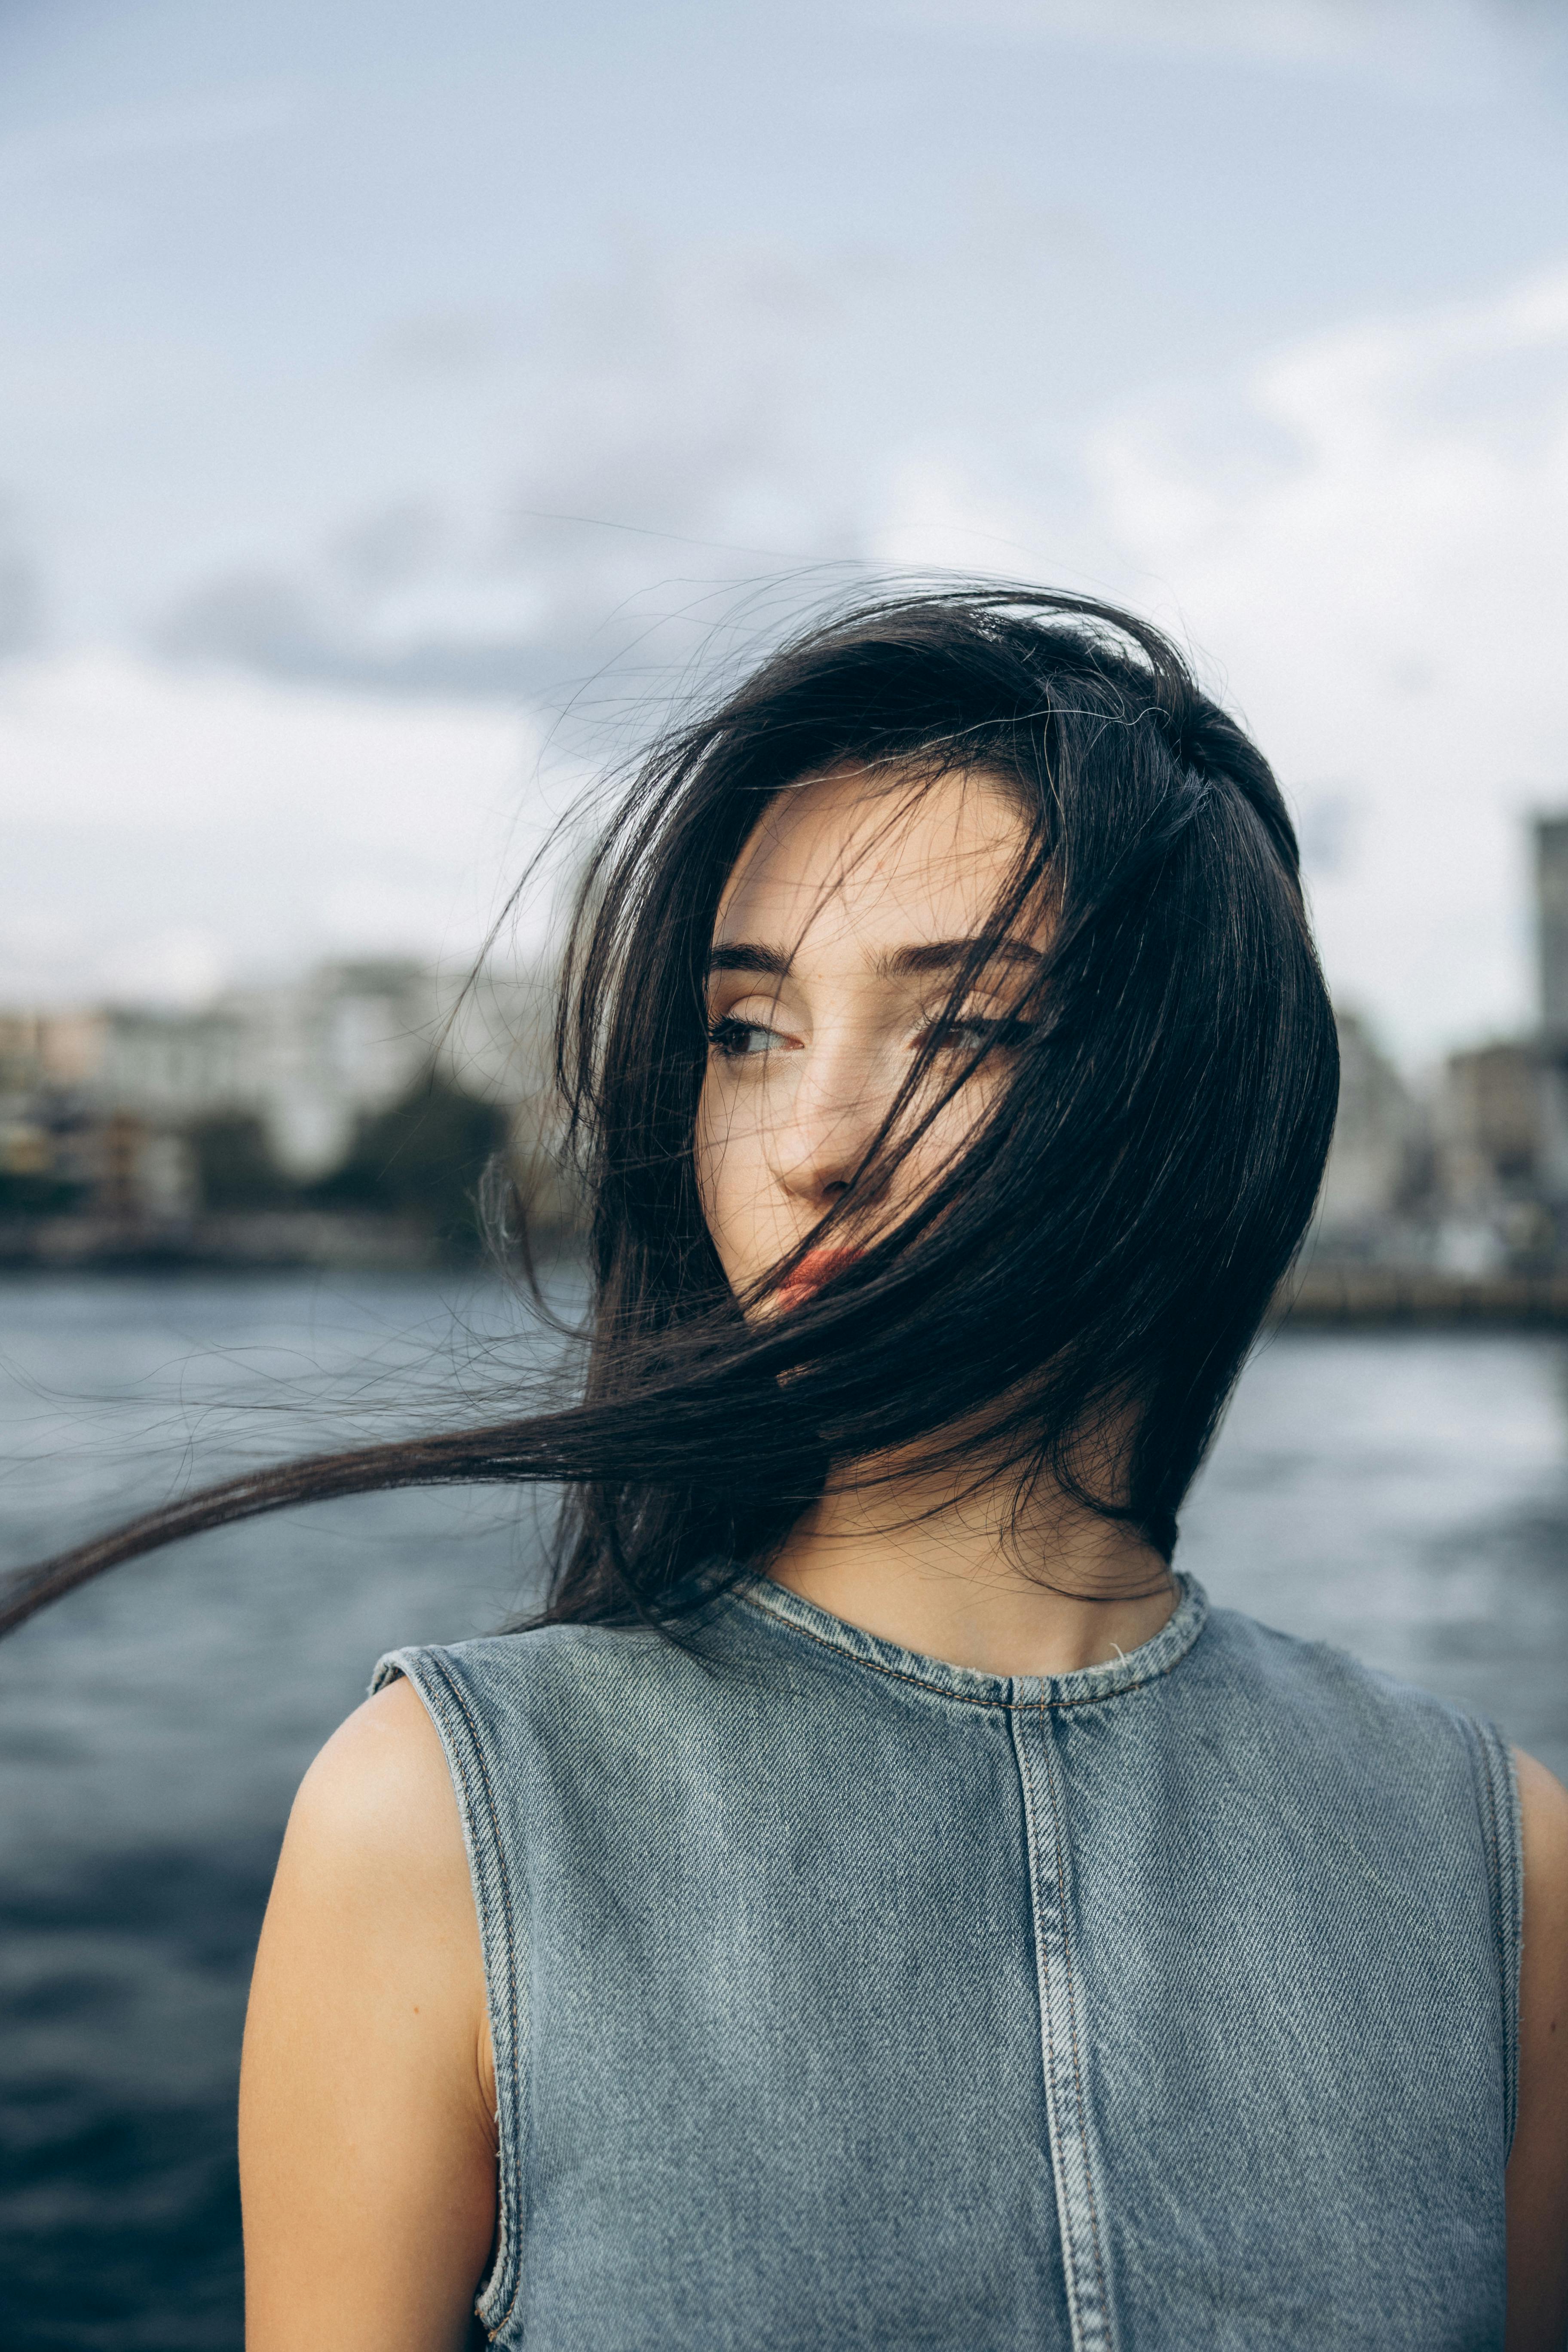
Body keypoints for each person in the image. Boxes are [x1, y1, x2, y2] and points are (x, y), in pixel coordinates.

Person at [6, 589, 1565, 2348]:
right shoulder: (437, 1820)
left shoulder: (1490, 1858)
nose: (813, 1140)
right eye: (747, 1031)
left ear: (1189, 1099)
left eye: (971, 1028)